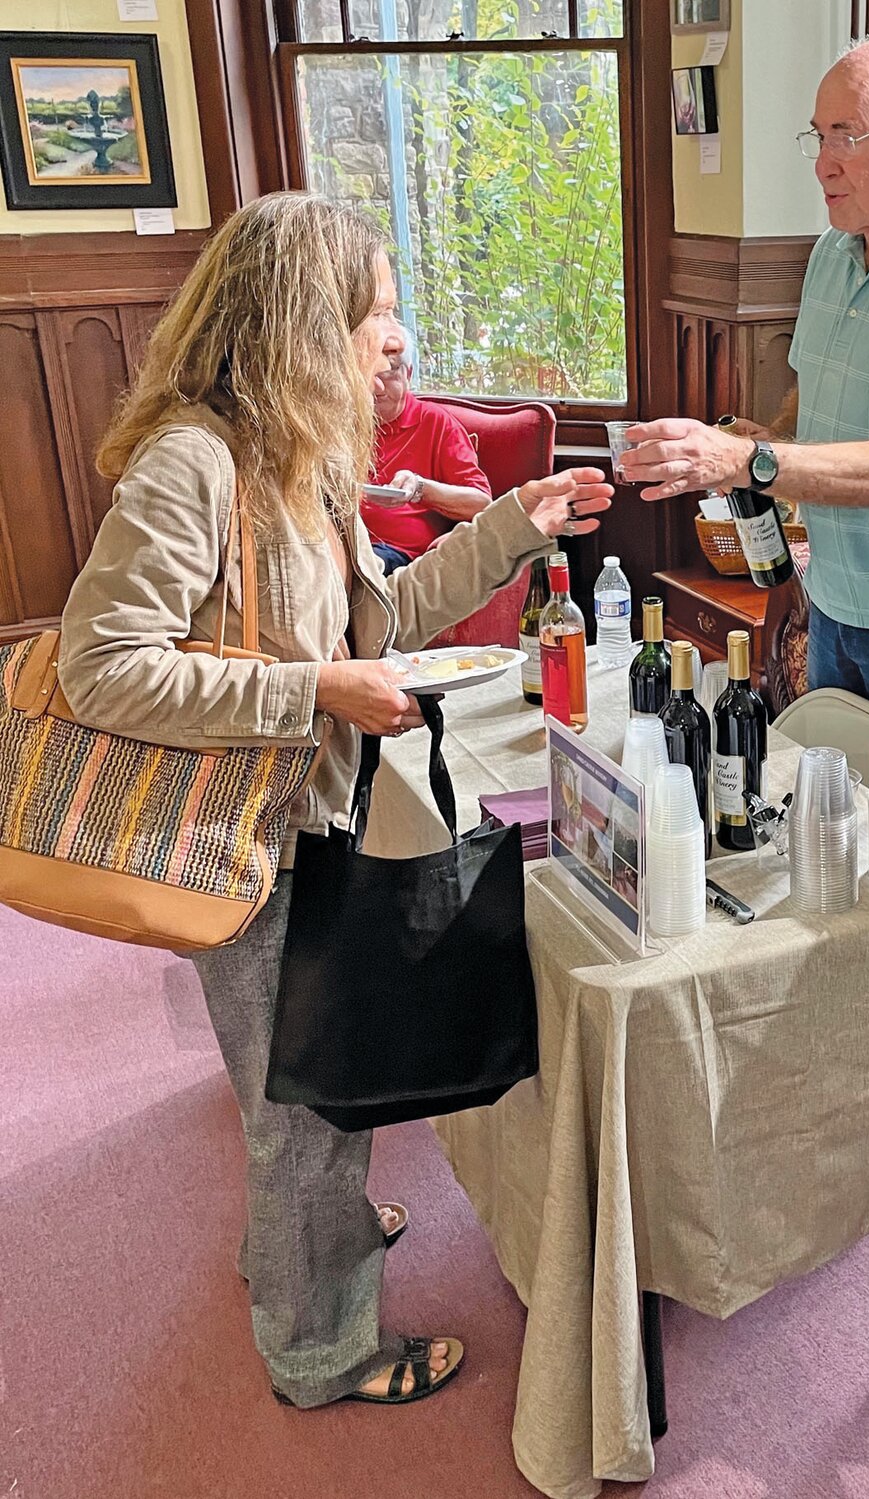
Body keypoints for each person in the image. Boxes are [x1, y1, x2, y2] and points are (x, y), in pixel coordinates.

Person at [58, 192, 611, 1406]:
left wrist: (519, 524)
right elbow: (102, 662)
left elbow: (391, 620)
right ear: (304, 323)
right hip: (227, 842)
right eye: (378, 311)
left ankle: (301, 1242)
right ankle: (323, 1348)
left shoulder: (296, 457)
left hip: (298, 821)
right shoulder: (196, 462)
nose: (396, 337)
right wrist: (314, 690)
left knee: (306, 1075)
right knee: (298, 1104)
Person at [622, 34, 869, 852]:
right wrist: (751, 437)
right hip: (835, 600)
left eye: (847, 135)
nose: (822, 163)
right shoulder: (832, 257)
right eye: (818, 135)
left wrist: (748, 462)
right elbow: (812, 407)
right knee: (833, 830)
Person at [364, 335, 494, 572]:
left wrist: (420, 489)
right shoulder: (341, 425)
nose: (378, 385)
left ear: (409, 374)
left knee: (364, 567)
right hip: (342, 546)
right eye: (369, 372)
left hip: (398, 556)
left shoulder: (436, 423)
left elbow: (481, 503)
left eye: (389, 371)